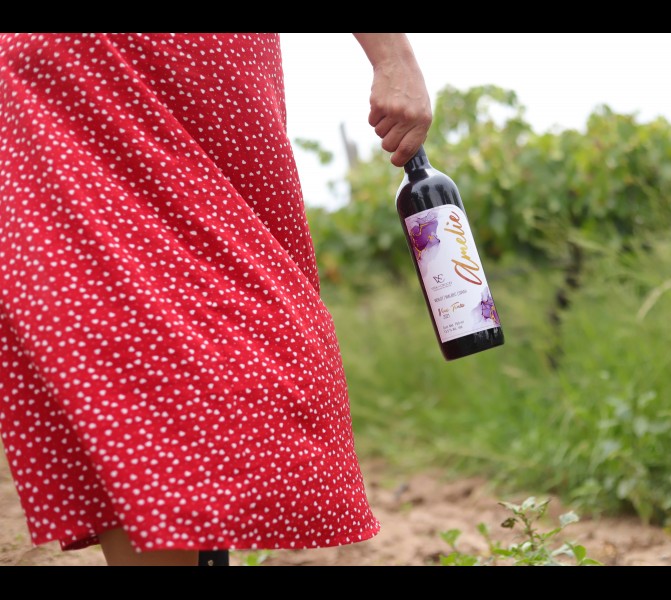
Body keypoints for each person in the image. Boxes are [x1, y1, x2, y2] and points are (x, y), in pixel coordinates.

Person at [0, 33, 432, 566]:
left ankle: (198, 535)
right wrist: (393, 58)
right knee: (112, 315)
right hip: (82, 60)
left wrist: (394, 57)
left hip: (187, 66)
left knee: (216, 304)